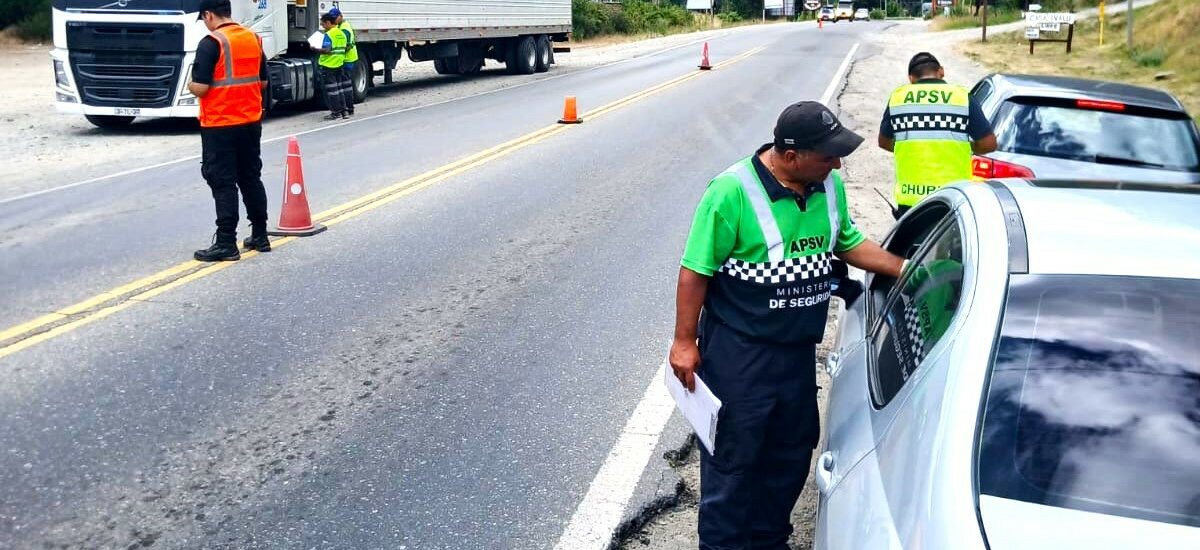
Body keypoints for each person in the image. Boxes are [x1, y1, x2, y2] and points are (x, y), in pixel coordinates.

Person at [671, 101, 905, 550]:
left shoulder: (827, 185)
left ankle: (768, 538)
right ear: (792, 156)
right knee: (734, 459)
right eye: (828, 155)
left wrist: (906, 267)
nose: (837, 163)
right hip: (740, 354)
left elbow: (848, 242)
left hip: (796, 351)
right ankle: (723, 545)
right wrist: (684, 340)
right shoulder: (731, 192)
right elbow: (695, 270)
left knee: (791, 451)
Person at [188, 0, 270, 262]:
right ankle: (260, 234)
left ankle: (226, 242)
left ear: (209, 14)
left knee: (223, 182)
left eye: (204, 19)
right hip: (250, 123)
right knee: (250, 178)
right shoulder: (253, 39)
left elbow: (200, 87)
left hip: (220, 125)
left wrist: (189, 83)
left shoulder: (211, 43)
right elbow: (264, 81)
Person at [878, 52, 996, 218]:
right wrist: (961, 145)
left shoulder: (898, 98)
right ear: (941, 71)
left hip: (910, 201)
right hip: (952, 198)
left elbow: (883, 142)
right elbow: (988, 144)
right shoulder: (962, 98)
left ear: (911, 78)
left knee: (911, 244)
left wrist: (911, 143)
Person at [315, 13, 350, 120]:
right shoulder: (341, 33)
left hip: (328, 66)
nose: (323, 27)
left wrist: (315, 48)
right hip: (339, 65)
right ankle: (344, 112)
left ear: (328, 22)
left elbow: (327, 50)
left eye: (323, 24)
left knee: (332, 91)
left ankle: (335, 113)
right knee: (339, 90)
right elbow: (346, 48)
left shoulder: (329, 34)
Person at [330, 7, 358, 116]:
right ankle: (348, 109)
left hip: (347, 60)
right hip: (346, 59)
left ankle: (347, 109)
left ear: (341, 16)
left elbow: (345, 46)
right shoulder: (341, 26)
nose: (334, 20)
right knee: (345, 85)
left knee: (345, 85)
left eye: (335, 18)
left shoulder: (344, 28)